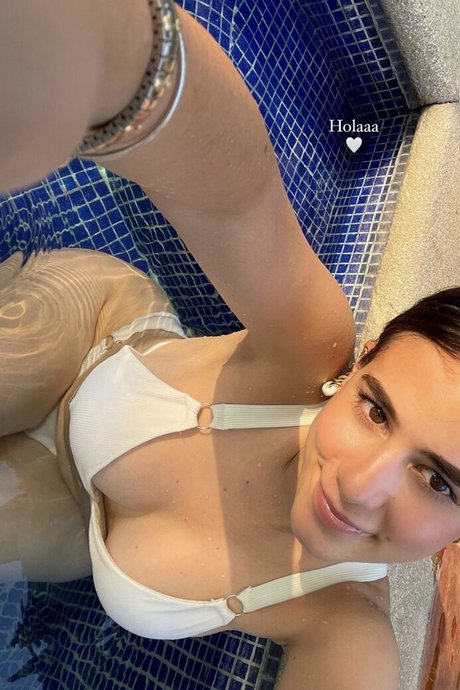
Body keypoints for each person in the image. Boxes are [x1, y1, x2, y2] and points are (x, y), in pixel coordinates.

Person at [1, 1, 459, 688]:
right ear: (360, 364)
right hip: (87, 343)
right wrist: (110, 52)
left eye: (439, 481)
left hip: (73, 512)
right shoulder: (307, 350)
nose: (360, 484)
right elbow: (236, 196)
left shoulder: (341, 623)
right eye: (375, 410)